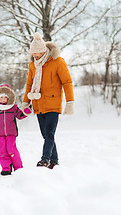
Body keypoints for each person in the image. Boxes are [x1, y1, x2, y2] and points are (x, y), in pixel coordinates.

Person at [22, 32, 74, 169]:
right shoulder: (33, 65)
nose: (35, 56)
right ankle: (54, 161)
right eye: (33, 53)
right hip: (38, 104)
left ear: (43, 51)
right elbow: (29, 84)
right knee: (46, 135)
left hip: (53, 104)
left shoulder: (57, 61)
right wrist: (26, 102)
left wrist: (70, 102)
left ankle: (45, 160)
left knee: (50, 133)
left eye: (37, 53)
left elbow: (67, 82)